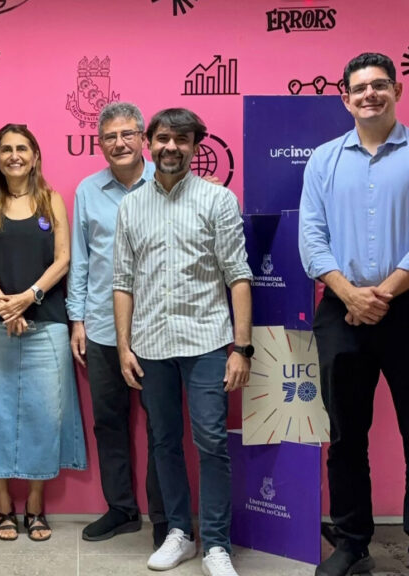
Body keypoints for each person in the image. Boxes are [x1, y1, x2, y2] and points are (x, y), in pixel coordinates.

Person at [298, 52, 409, 576]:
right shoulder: (322, 159)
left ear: (397, 90)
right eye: (359, 88)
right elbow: (311, 238)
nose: (369, 95)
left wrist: (381, 293)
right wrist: (349, 293)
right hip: (341, 311)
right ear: (345, 97)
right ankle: (352, 540)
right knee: (345, 436)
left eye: (379, 85)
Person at [114, 108, 252, 576]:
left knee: (211, 440)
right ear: (148, 143)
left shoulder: (218, 200)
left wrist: (242, 347)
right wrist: (124, 346)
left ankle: (216, 543)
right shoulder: (131, 206)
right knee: (164, 442)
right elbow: (123, 282)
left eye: (182, 140)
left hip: (208, 342)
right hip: (150, 345)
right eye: (163, 138)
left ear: (196, 146)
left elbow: (238, 275)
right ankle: (179, 532)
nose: (171, 147)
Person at [0, 123, 87, 542]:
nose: (14, 155)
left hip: (46, 324)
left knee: (45, 415)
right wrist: (5, 304)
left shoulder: (52, 201)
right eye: (6, 149)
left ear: (34, 155)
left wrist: (28, 297)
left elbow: (64, 260)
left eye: (21, 148)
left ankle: (36, 506)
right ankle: (4, 507)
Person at [67, 102, 167, 548]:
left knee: (161, 425)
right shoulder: (88, 190)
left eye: (127, 135)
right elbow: (81, 261)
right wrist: (77, 320)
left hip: (159, 329)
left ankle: (167, 519)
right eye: (110, 137)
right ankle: (122, 509)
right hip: (104, 328)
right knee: (109, 422)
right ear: (100, 143)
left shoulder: (167, 184)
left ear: (142, 139)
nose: (119, 143)